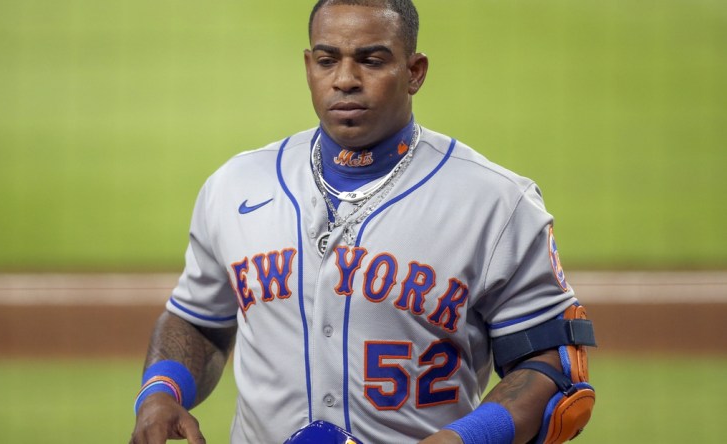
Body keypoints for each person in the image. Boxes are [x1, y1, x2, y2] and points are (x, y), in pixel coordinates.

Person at [130, 1, 596, 443]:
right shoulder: (233, 187)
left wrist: (464, 438)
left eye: (371, 61)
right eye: (327, 61)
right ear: (309, 66)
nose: (345, 80)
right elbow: (199, 321)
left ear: (414, 73)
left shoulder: (495, 203)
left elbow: (550, 366)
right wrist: (160, 393)